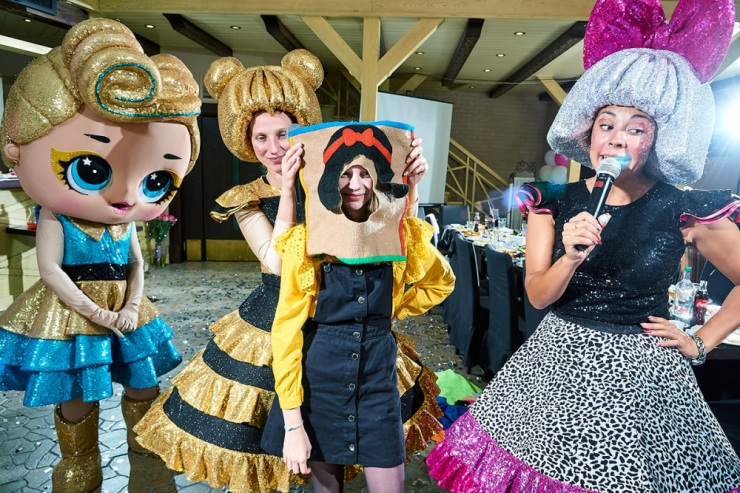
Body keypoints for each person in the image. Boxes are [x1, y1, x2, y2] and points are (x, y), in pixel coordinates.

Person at [426, 0, 740, 492]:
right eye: (606, 124)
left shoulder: (684, 209)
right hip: (557, 366)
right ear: (588, 132)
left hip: (643, 382)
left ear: (659, 140)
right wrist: (570, 257)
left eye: (636, 128)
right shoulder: (552, 202)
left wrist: (701, 341)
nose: (616, 139)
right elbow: (537, 296)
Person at [134, 52, 440, 493]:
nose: (274, 148)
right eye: (261, 137)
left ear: (301, 132)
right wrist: (289, 194)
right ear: (246, 140)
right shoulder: (247, 198)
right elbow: (277, 264)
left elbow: (388, 239)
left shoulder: (335, 180)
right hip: (281, 322)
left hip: (341, 320)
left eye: (283, 134)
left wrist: (411, 185)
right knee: (292, 441)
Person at [0, 18, 200, 493]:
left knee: (143, 382)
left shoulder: (124, 221)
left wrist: (130, 306)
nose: (127, 196)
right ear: (15, 148)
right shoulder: (58, 216)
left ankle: (147, 460)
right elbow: (51, 270)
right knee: (76, 389)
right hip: (73, 313)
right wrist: (98, 313)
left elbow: (136, 263)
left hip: (126, 309)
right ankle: (79, 464)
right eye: (89, 169)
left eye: (157, 181)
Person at [259, 122, 456, 493]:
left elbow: (441, 281)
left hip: (378, 382)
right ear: (327, 177)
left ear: (379, 177)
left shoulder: (400, 236)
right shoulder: (307, 243)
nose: (355, 184)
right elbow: (285, 334)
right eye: (344, 173)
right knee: (327, 488)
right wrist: (293, 424)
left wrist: (397, 307)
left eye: (365, 173)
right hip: (320, 383)